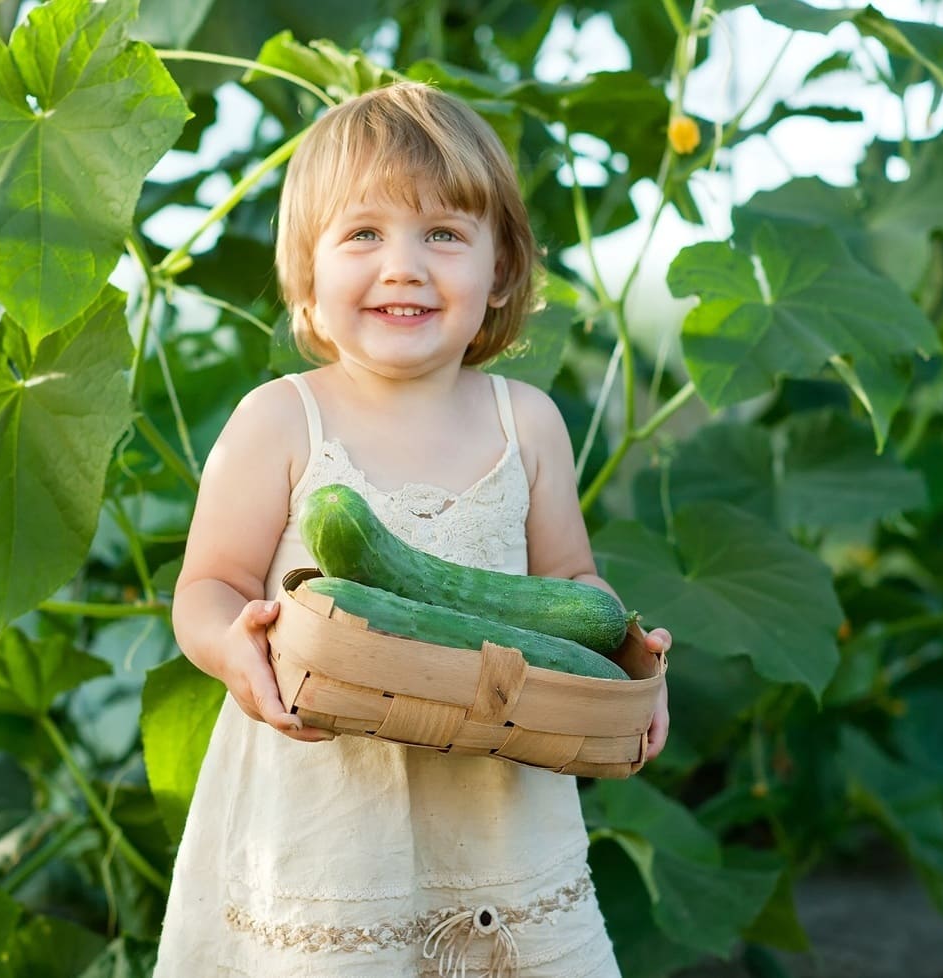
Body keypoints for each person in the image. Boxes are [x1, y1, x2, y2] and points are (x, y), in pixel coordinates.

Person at [152, 80, 672, 978]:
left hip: (499, 811)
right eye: (363, 234)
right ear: (306, 271)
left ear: (501, 269)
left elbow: (574, 588)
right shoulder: (279, 421)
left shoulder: (529, 423)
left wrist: (629, 662)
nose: (403, 266)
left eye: (444, 234)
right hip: (328, 817)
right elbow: (207, 586)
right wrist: (231, 646)